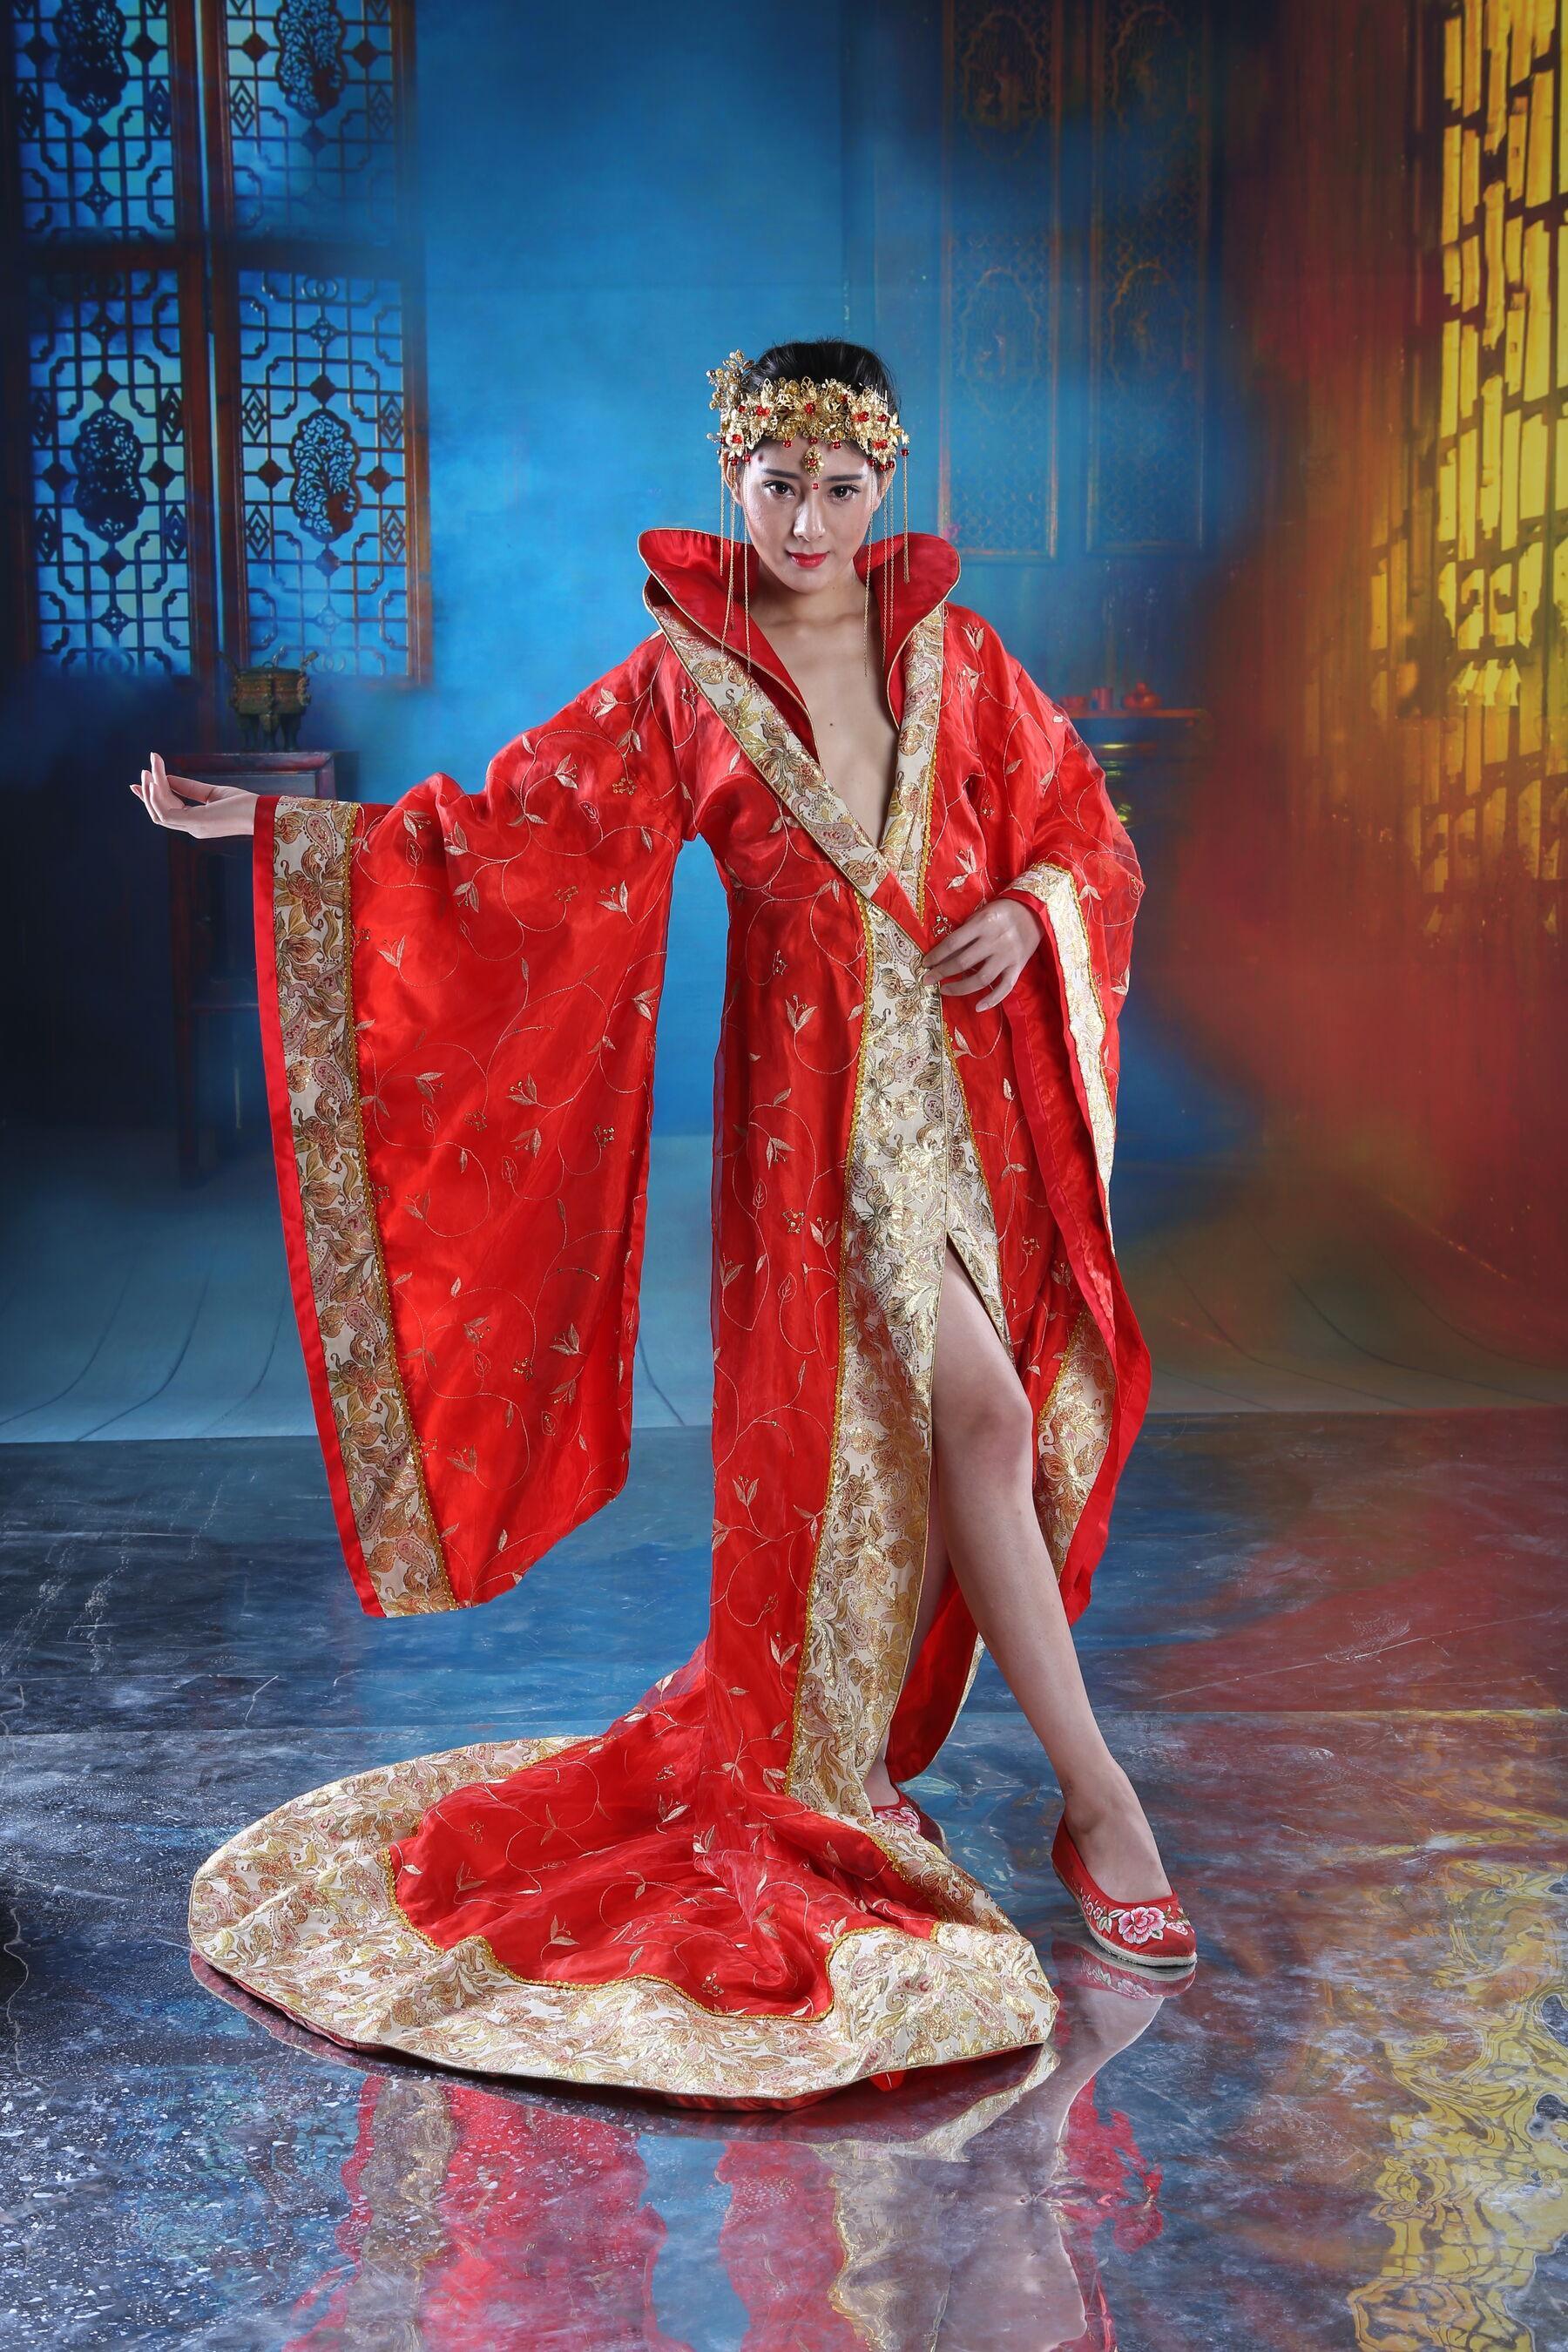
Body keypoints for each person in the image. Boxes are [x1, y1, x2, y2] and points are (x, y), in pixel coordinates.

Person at [133, 341, 1193, 2109]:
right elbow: (506, 842)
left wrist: (1027, 907)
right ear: (732, 482)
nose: (807, 521)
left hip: (970, 1112)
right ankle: (1103, 1807)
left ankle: (874, 1758)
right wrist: (280, 831)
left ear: (886, 486)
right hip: (811, 1136)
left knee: (965, 1441)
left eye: (839, 488)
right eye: (777, 486)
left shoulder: (963, 659)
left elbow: (1088, 837)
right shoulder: (684, 683)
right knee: (984, 1423)